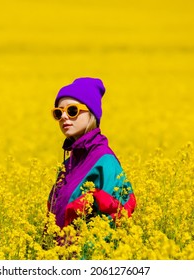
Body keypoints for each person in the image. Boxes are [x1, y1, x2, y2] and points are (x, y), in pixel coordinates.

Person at [47, 77, 136, 230]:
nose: (64, 117)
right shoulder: (67, 164)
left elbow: (115, 218)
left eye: (72, 110)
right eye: (58, 113)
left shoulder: (103, 162)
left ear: (91, 113)